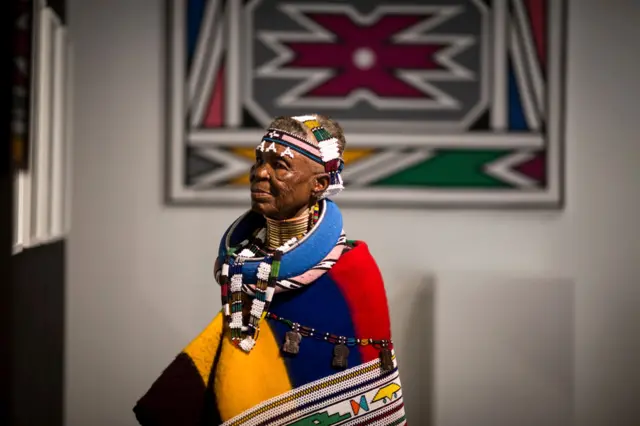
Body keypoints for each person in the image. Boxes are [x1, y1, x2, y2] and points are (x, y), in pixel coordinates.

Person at [133, 114, 406, 425]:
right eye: (260, 160)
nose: (260, 173)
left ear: (320, 183)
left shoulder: (353, 274)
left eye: (280, 165)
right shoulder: (243, 268)